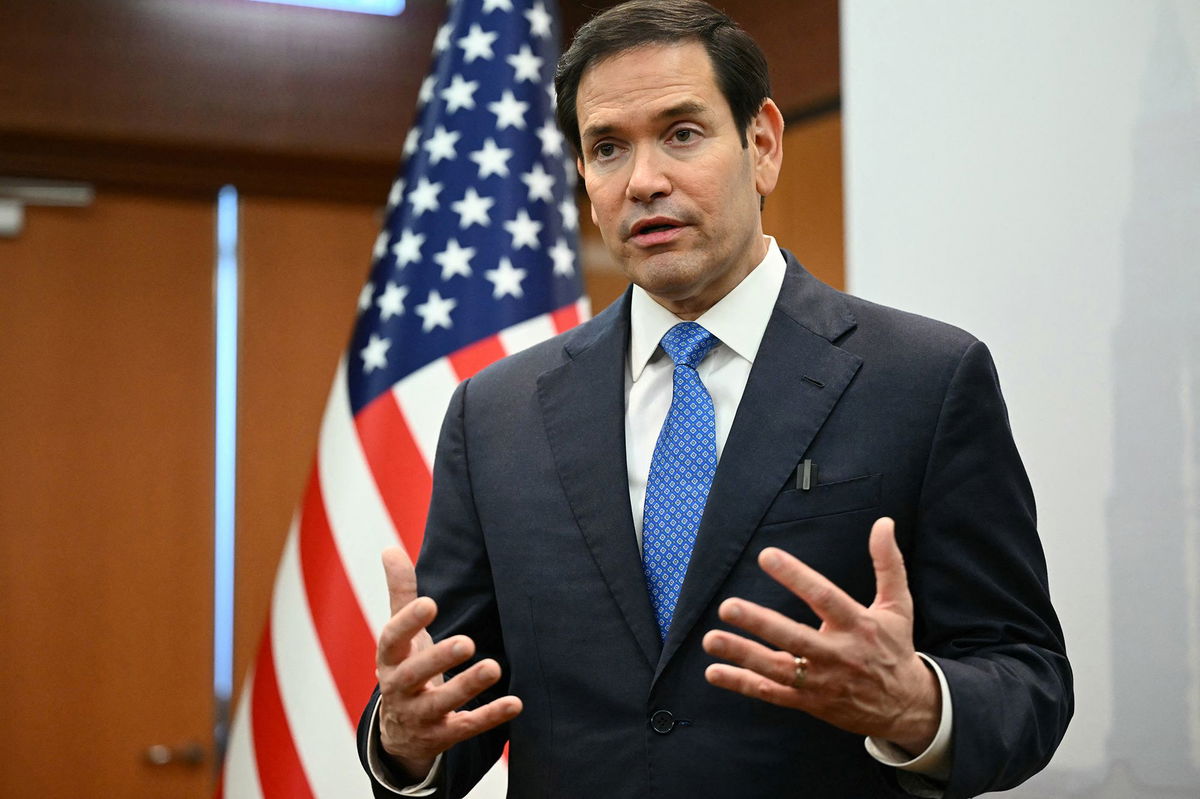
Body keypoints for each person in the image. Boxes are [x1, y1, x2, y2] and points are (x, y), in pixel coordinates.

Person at [357, 2, 1073, 797]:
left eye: (682, 133)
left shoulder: (926, 379)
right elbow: (455, 696)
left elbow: (1029, 680)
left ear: (761, 144)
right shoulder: (496, 412)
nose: (644, 180)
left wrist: (915, 704)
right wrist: (403, 739)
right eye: (607, 148)